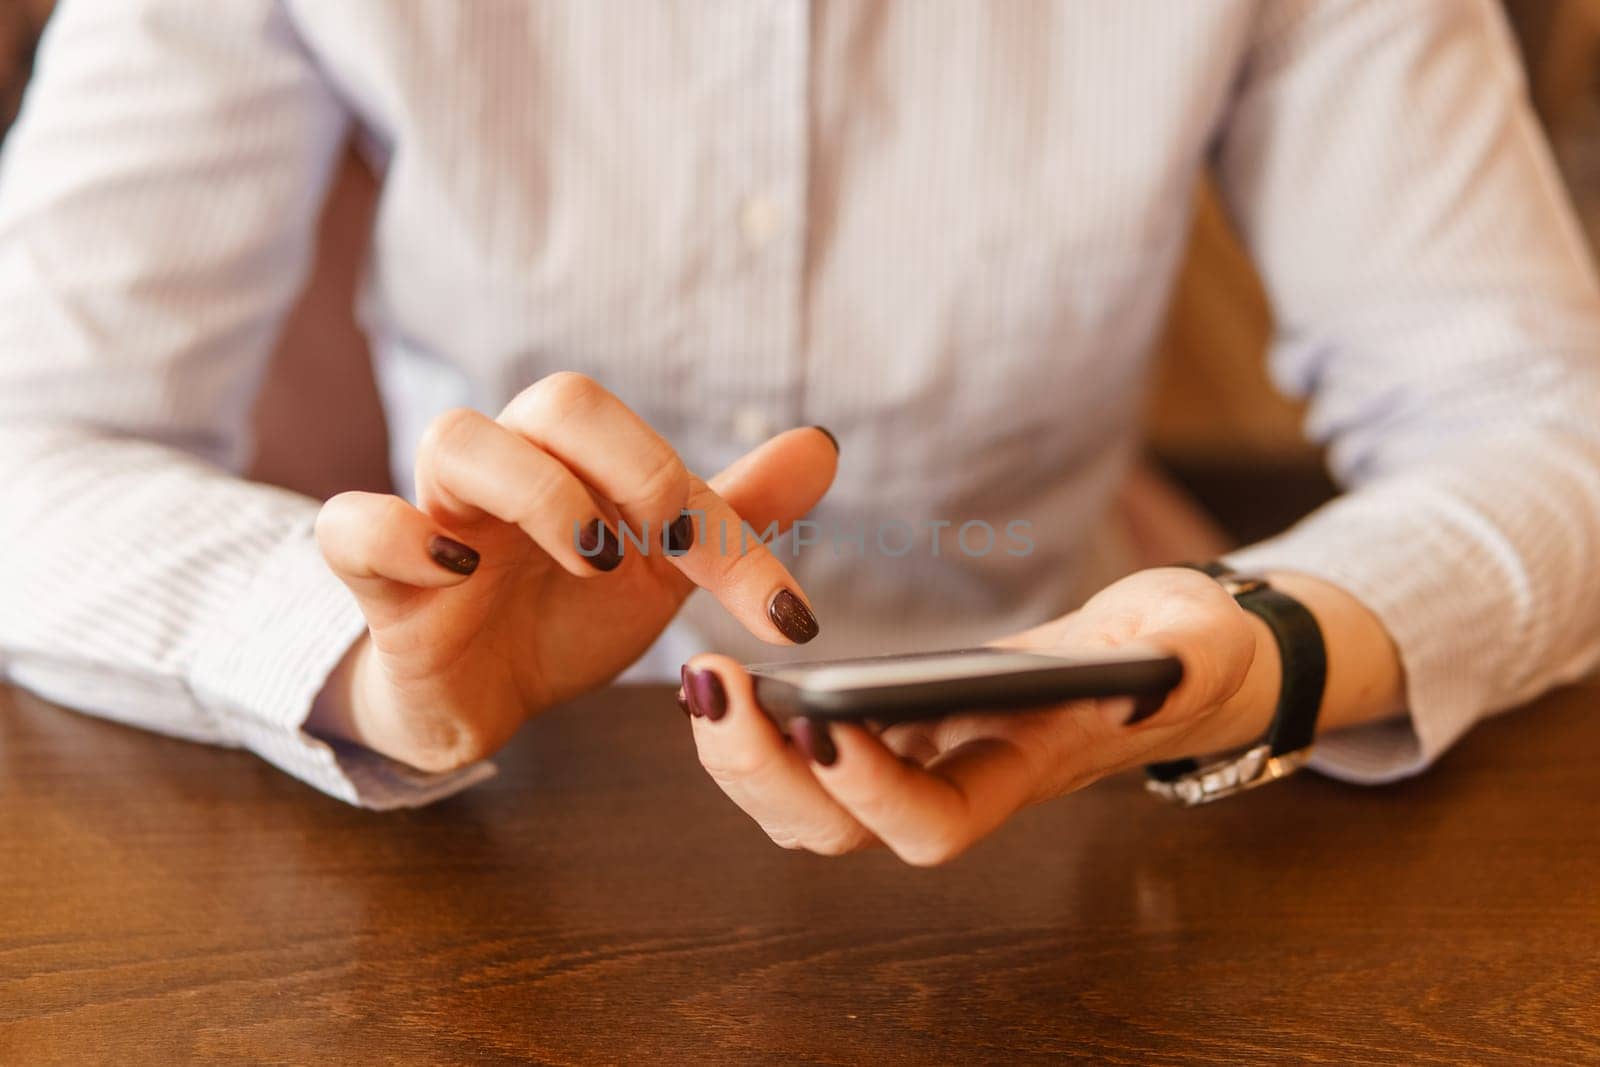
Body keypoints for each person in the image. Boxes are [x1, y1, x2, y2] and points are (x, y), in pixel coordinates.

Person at [2, 1, 1598, 860]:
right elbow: (27, 433)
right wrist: (355, 656)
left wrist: (1274, 645)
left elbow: (1543, 420)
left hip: (1084, 817)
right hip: (475, 831)